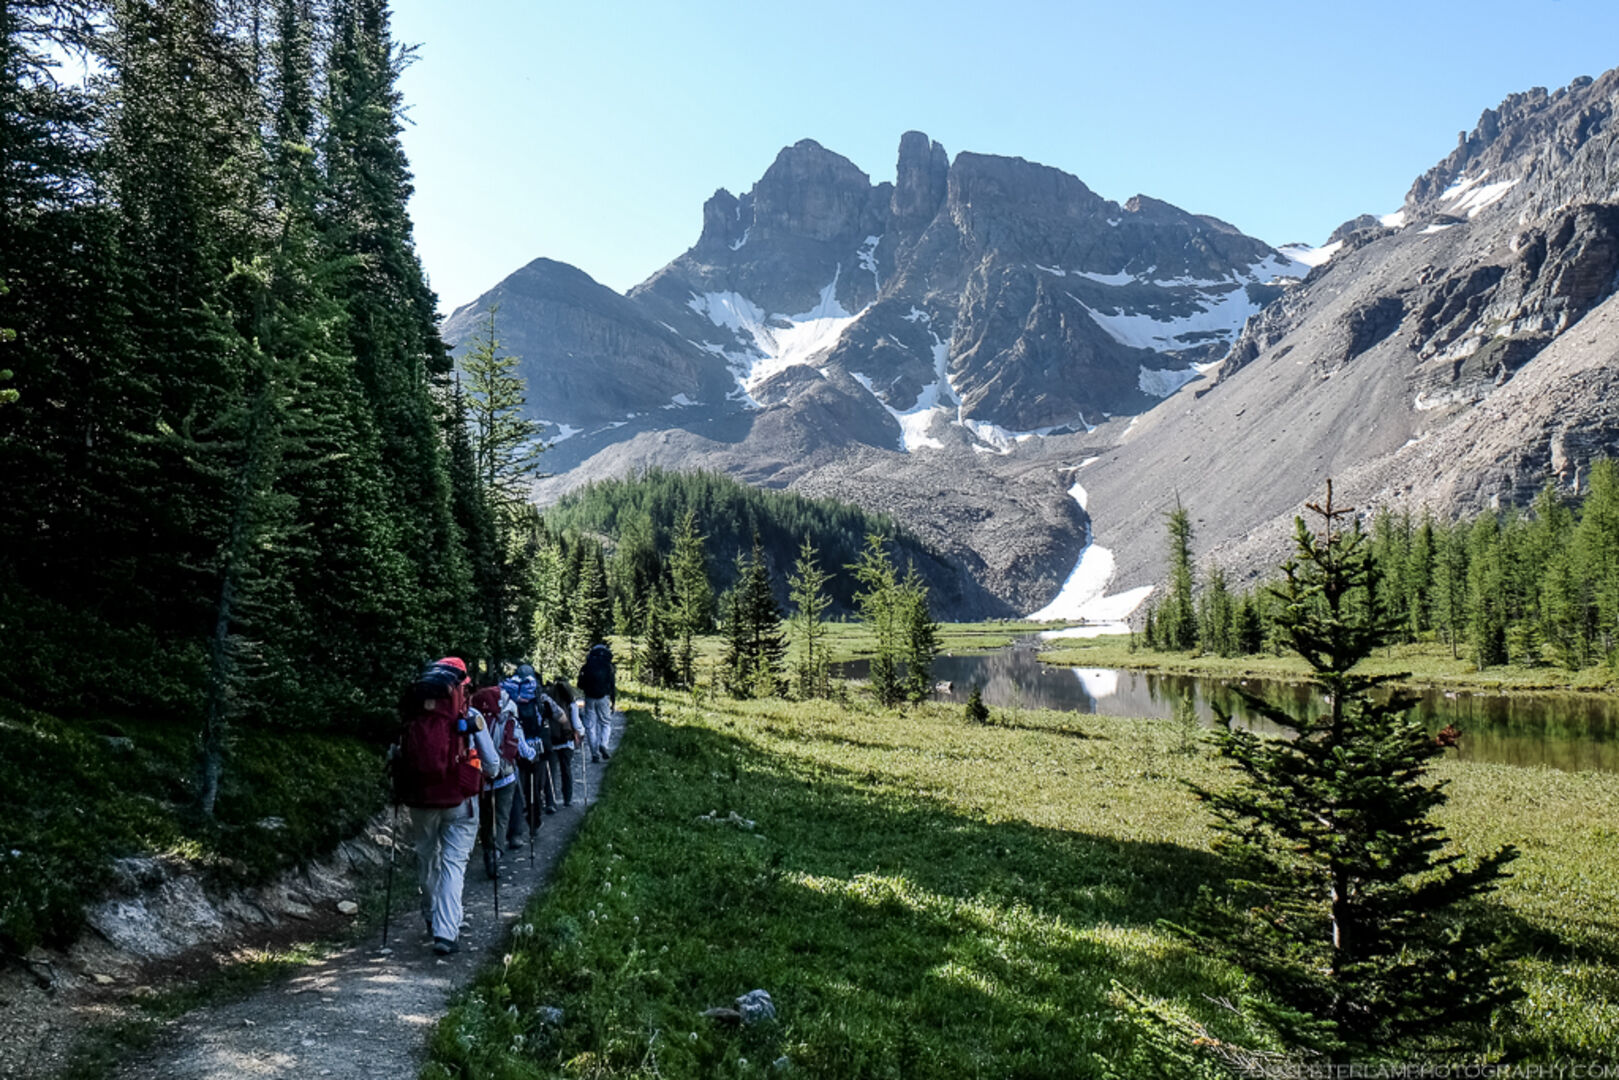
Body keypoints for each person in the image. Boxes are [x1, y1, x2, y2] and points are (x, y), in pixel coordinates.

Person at [397, 657, 499, 956]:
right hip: (460, 801)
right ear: (462, 686)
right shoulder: (469, 715)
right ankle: (445, 931)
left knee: (427, 859)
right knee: (453, 865)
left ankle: (429, 915)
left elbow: (397, 753)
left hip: (420, 799)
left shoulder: (413, 715)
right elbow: (492, 765)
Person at [471, 684, 532, 879]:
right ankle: (496, 853)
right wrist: (533, 754)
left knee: (486, 817)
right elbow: (523, 749)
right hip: (506, 776)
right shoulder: (510, 720)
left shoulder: (475, 719)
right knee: (502, 817)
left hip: (481, 777)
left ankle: (488, 849)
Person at [545, 679, 584, 807]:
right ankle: (568, 798)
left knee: (551, 772)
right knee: (566, 770)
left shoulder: (547, 703)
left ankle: (551, 802)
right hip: (567, 741)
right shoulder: (570, 704)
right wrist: (580, 733)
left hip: (551, 741)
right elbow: (576, 723)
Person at [576, 642, 617, 762]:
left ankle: (594, 753)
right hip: (603, 697)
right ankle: (603, 744)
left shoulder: (587, 666)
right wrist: (613, 701)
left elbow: (580, 684)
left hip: (589, 698)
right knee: (605, 723)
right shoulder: (608, 666)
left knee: (590, 725)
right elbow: (612, 685)